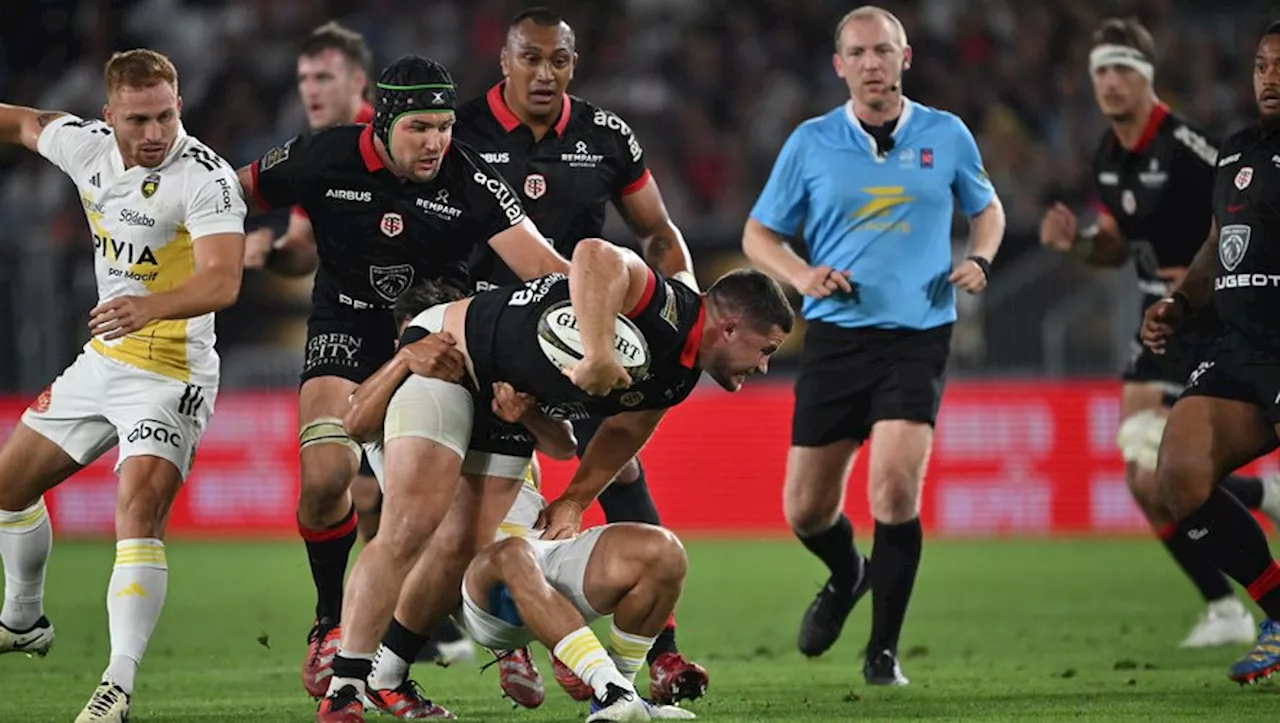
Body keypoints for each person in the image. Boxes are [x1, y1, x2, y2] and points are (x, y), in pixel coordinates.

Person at [318, 243, 793, 721]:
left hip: (507, 399)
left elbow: (624, 431)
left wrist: (572, 500)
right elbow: (593, 254)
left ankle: (393, 675)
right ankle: (346, 685)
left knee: (466, 545)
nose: (764, 366)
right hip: (453, 353)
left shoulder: (681, 373)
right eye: (766, 350)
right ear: (730, 328)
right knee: (414, 523)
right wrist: (600, 354)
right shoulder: (667, 307)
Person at [233, 55, 569, 699]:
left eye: (444, 126)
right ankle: (329, 623)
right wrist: (218, 249)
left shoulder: (468, 174)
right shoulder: (322, 156)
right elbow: (225, 191)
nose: (436, 142)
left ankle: (507, 631)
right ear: (384, 122)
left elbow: (545, 269)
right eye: (420, 127)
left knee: (467, 513)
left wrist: (602, 307)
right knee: (328, 474)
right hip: (350, 325)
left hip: (443, 339)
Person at [742, 6, 1005, 685]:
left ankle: (882, 652)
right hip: (836, 336)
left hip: (919, 333)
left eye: (883, 50)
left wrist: (980, 257)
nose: (871, 63)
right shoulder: (811, 141)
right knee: (805, 508)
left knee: (894, 488)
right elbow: (758, 235)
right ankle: (845, 572)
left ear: (905, 56)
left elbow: (988, 208)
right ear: (839, 65)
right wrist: (802, 275)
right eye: (857, 52)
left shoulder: (945, 134)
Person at [453, 7, 704, 704]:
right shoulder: (462, 134)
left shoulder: (605, 136)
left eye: (558, 60)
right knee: (451, 500)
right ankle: (486, 639)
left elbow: (657, 231)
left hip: (577, 340)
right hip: (488, 339)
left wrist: (678, 294)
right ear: (504, 62)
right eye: (529, 58)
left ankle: (663, 652)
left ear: (574, 64)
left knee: (619, 460)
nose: (544, 73)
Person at [0, 50, 247, 722]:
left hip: (171, 371)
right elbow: (24, 123)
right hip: (103, 360)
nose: (155, 133)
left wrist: (150, 304)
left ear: (179, 107)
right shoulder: (86, 148)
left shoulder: (207, 179)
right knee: (8, 486)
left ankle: (117, 684)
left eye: (166, 115)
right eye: (138, 119)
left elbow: (224, 280)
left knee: (137, 510)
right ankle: (22, 619)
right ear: (108, 116)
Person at [1041, 17, 1280, 649]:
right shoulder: (1129, 158)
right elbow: (1156, 245)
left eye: (1123, 70)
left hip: (1242, 329)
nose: (1110, 83)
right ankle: (1249, 603)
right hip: (1201, 328)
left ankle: (1253, 526)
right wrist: (1093, 249)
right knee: (1160, 476)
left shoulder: (1193, 149)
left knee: (1153, 472)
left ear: (1148, 79)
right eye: (1100, 72)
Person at [1142, 21, 1280, 686]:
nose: (1271, 79)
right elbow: (1214, 245)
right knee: (1180, 475)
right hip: (1241, 347)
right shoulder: (1236, 152)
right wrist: (1181, 301)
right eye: (1261, 66)